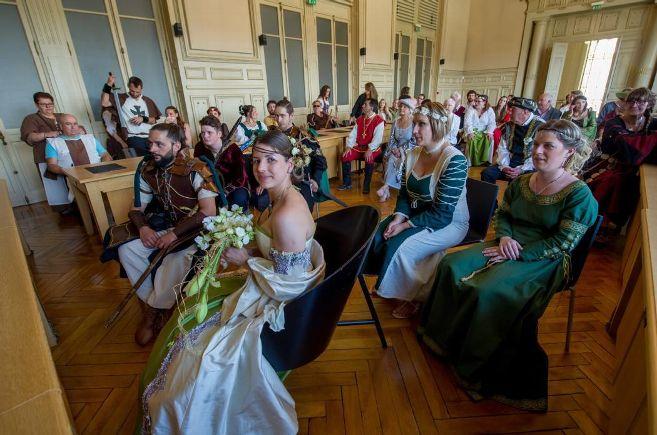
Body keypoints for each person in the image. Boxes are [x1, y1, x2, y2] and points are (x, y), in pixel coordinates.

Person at [140, 130, 326, 434]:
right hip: (267, 282)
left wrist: (246, 260)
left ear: (290, 164)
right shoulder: (275, 198)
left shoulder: (286, 214)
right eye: (256, 161)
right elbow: (277, 252)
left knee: (205, 352)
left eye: (271, 160)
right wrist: (249, 249)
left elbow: (288, 283)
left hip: (282, 303)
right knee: (190, 318)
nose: (261, 168)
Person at [419, 119, 597, 411]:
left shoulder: (579, 194)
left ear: (569, 152)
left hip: (546, 257)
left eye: (548, 146)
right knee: (451, 264)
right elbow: (503, 216)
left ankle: (473, 364)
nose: (538, 151)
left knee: (488, 291)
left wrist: (518, 253)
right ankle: (444, 341)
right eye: (536, 144)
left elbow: (564, 242)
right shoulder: (523, 180)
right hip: (508, 242)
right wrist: (503, 238)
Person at [365, 102, 469, 319]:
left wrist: (404, 226)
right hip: (416, 213)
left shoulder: (454, 160)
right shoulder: (413, 154)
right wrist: (398, 217)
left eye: (422, 124)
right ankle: (391, 281)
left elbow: (442, 214)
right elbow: (404, 194)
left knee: (401, 245)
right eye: (414, 124)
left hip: (449, 222)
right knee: (378, 234)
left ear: (438, 126)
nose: (414, 131)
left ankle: (417, 298)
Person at [118, 123, 218, 346]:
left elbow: (209, 211)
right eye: (150, 143)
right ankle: (151, 307)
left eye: (159, 144)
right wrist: (144, 228)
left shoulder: (196, 169)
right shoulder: (149, 170)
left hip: (199, 231)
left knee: (174, 260)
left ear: (176, 145)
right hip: (169, 226)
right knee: (128, 250)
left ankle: (156, 311)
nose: (152, 148)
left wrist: (174, 234)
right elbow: (137, 209)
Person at [582, 87, 657, 230]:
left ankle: (612, 227)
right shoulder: (613, 123)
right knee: (610, 182)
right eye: (631, 101)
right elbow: (629, 149)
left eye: (641, 101)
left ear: (649, 104)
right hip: (608, 166)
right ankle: (595, 227)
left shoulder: (652, 123)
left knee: (632, 187)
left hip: (634, 172)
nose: (634, 105)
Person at [256, 98, 328, 211]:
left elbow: (321, 161)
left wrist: (315, 179)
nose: (278, 119)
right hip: (277, 181)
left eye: (282, 116)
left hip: (301, 181)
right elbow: (266, 161)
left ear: (291, 116)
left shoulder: (304, 136)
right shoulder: (272, 137)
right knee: (261, 202)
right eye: (276, 116)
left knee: (300, 207)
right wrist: (265, 179)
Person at [481, 97, 544, 183]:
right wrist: (505, 166)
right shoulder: (509, 125)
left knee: (516, 181)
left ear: (525, 112)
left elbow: (540, 154)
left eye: (512, 109)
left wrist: (520, 170)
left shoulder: (541, 127)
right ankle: (489, 197)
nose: (508, 112)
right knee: (487, 173)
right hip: (510, 161)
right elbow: (502, 148)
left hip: (529, 165)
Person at [194, 115, 249, 211]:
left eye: (209, 132)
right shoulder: (200, 148)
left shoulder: (233, 149)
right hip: (210, 187)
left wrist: (225, 191)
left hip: (235, 186)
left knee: (239, 199)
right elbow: (197, 169)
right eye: (203, 133)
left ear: (219, 134)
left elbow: (241, 177)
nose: (205, 136)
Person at [101, 73, 161, 156]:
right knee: (141, 162)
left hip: (150, 137)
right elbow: (104, 103)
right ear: (128, 87)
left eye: (138, 92)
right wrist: (109, 84)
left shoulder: (147, 101)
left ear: (141, 89)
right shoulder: (121, 98)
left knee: (156, 160)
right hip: (134, 138)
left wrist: (143, 119)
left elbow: (153, 120)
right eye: (132, 91)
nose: (135, 94)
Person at [338, 98, 385, 194]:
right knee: (345, 156)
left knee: (369, 158)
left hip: (373, 149)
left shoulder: (379, 120)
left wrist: (370, 149)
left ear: (371, 107)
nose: (362, 106)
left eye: (365, 104)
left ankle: (366, 185)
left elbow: (378, 138)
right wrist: (348, 147)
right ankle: (347, 183)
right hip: (360, 148)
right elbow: (353, 134)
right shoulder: (360, 119)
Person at [377, 98, 416, 202]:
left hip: (409, 151)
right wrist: (394, 149)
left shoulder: (414, 122)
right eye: (401, 106)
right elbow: (391, 139)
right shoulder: (396, 122)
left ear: (410, 109)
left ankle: (386, 188)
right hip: (395, 150)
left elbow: (414, 140)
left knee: (398, 160)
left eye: (405, 107)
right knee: (390, 158)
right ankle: (386, 189)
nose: (401, 108)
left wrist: (401, 150)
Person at [45, 114, 111, 175]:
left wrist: (102, 168)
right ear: (61, 126)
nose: (73, 127)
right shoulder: (53, 143)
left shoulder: (90, 138)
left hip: (99, 175)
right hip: (74, 179)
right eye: (68, 124)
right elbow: (52, 165)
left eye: (75, 124)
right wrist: (68, 172)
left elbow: (105, 155)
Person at [20, 92, 64, 170]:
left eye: (50, 104)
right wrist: (47, 134)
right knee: (53, 181)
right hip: (44, 157)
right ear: (37, 105)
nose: (48, 107)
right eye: (43, 104)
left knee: (73, 179)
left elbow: (76, 128)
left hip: (66, 155)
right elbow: (30, 138)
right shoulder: (31, 118)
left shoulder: (62, 116)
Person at [463, 94, 496, 166]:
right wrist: (470, 132)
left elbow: (492, 122)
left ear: (484, 102)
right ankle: (471, 161)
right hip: (473, 130)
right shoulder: (471, 109)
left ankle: (485, 160)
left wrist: (490, 132)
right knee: (472, 139)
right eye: (476, 101)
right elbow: (467, 122)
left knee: (489, 138)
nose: (476, 103)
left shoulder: (489, 110)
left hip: (484, 131)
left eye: (479, 101)